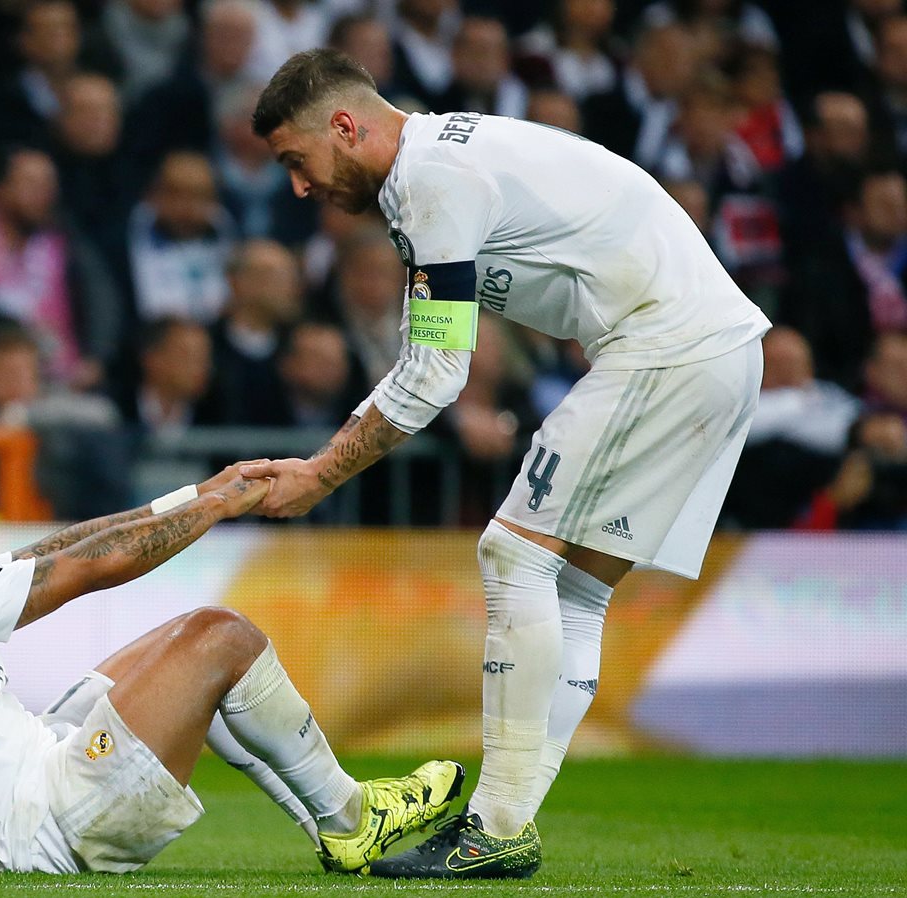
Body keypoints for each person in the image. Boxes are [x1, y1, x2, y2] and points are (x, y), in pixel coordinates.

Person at [245, 49, 771, 878]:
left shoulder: (429, 181)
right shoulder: (439, 163)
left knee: (512, 553)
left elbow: (434, 371)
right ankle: (505, 823)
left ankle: (496, 826)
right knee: (578, 592)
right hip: (715, 348)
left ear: (344, 126)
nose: (300, 188)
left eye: (296, 163)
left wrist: (320, 473)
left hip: (668, 346)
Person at [0, 393, 462, 875]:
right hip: (48, 834)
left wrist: (194, 495)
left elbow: (50, 552)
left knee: (174, 651)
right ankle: (350, 816)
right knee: (219, 637)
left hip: (34, 798)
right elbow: (86, 566)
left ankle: (333, 825)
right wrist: (221, 507)